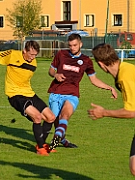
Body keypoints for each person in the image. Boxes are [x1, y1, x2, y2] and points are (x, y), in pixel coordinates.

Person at [0, 40, 55, 156]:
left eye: (35, 55)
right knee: (37, 117)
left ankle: (41, 143)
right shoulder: (12, 54)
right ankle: (41, 148)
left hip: (29, 93)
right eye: (31, 54)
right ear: (24, 51)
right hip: (15, 95)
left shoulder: (33, 63)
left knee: (50, 117)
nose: (33, 57)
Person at [47, 34, 117, 151]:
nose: (72, 48)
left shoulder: (86, 60)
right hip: (56, 92)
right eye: (70, 45)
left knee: (65, 115)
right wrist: (56, 74)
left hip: (72, 94)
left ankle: (55, 139)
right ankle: (62, 140)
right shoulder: (61, 54)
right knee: (55, 120)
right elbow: (51, 71)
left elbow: (93, 79)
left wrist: (109, 87)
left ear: (80, 44)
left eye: (75, 45)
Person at [87, 43, 135, 176]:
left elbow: (131, 112)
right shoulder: (123, 70)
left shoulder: (125, 76)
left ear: (101, 64)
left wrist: (104, 112)